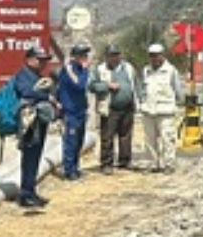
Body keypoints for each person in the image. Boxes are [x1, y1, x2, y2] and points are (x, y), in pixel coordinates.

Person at [12, 46, 56, 209]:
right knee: (29, 156)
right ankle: (25, 194)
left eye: (45, 60)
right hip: (29, 121)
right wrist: (46, 96)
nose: (43, 63)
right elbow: (26, 92)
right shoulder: (23, 75)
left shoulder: (37, 76)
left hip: (39, 120)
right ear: (30, 59)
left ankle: (31, 190)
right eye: (40, 60)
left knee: (36, 155)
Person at [89, 44, 138, 172]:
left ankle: (125, 161)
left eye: (117, 55)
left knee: (126, 136)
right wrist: (107, 86)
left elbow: (136, 85)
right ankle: (106, 163)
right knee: (107, 137)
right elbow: (91, 86)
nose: (115, 58)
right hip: (110, 108)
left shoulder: (128, 68)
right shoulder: (100, 70)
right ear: (106, 57)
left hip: (127, 108)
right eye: (112, 55)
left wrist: (137, 101)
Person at [139, 43, 184, 174]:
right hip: (148, 110)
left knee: (167, 138)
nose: (153, 58)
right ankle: (153, 163)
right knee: (150, 140)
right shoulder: (146, 70)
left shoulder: (171, 71)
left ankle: (169, 164)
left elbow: (178, 91)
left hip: (165, 111)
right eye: (151, 56)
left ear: (162, 56)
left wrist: (179, 104)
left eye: (156, 55)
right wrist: (142, 104)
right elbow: (142, 89)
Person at [55, 44, 93, 181]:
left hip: (80, 110)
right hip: (70, 111)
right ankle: (69, 171)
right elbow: (79, 85)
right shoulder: (69, 70)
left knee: (79, 142)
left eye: (86, 55)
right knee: (71, 142)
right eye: (82, 55)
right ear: (75, 56)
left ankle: (76, 168)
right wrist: (84, 70)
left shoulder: (79, 69)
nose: (85, 58)